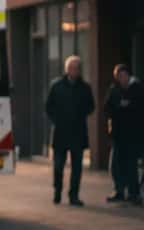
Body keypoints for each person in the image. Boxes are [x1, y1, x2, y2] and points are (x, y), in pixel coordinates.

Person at [45, 55, 94, 207]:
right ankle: (57, 191)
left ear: (79, 70)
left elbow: (91, 106)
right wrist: (56, 120)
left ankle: (74, 196)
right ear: (67, 69)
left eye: (76, 68)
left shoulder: (85, 88)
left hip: (78, 133)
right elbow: (48, 107)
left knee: (77, 168)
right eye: (70, 68)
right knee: (58, 166)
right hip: (60, 132)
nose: (73, 71)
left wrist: (80, 114)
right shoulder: (57, 85)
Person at [105, 64, 143, 205]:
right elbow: (107, 108)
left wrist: (127, 106)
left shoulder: (137, 89)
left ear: (129, 75)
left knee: (131, 165)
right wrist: (119, 105)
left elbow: (139, 109)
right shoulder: (114, 89)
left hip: (133, 134)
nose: (122, 79)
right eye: (119, 76)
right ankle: (119, 191)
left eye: (124, 75)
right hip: (118, 134)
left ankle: (134, 193)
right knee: (115, 165)